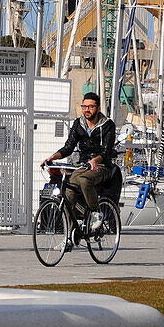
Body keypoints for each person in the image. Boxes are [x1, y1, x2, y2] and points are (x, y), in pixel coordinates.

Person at [42, 92, 117, 230]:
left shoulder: (107, 125)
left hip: (101, 166)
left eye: (91, 107)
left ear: (98, 108)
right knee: (68, 193)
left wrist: (94, 160)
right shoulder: (78, 123)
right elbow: (68, 147)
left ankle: (96, 212)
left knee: (84, 180)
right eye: (84, 106)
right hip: (82, 166)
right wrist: (53, 157)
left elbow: (106, 152)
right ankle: (70, 236)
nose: (87, 110)